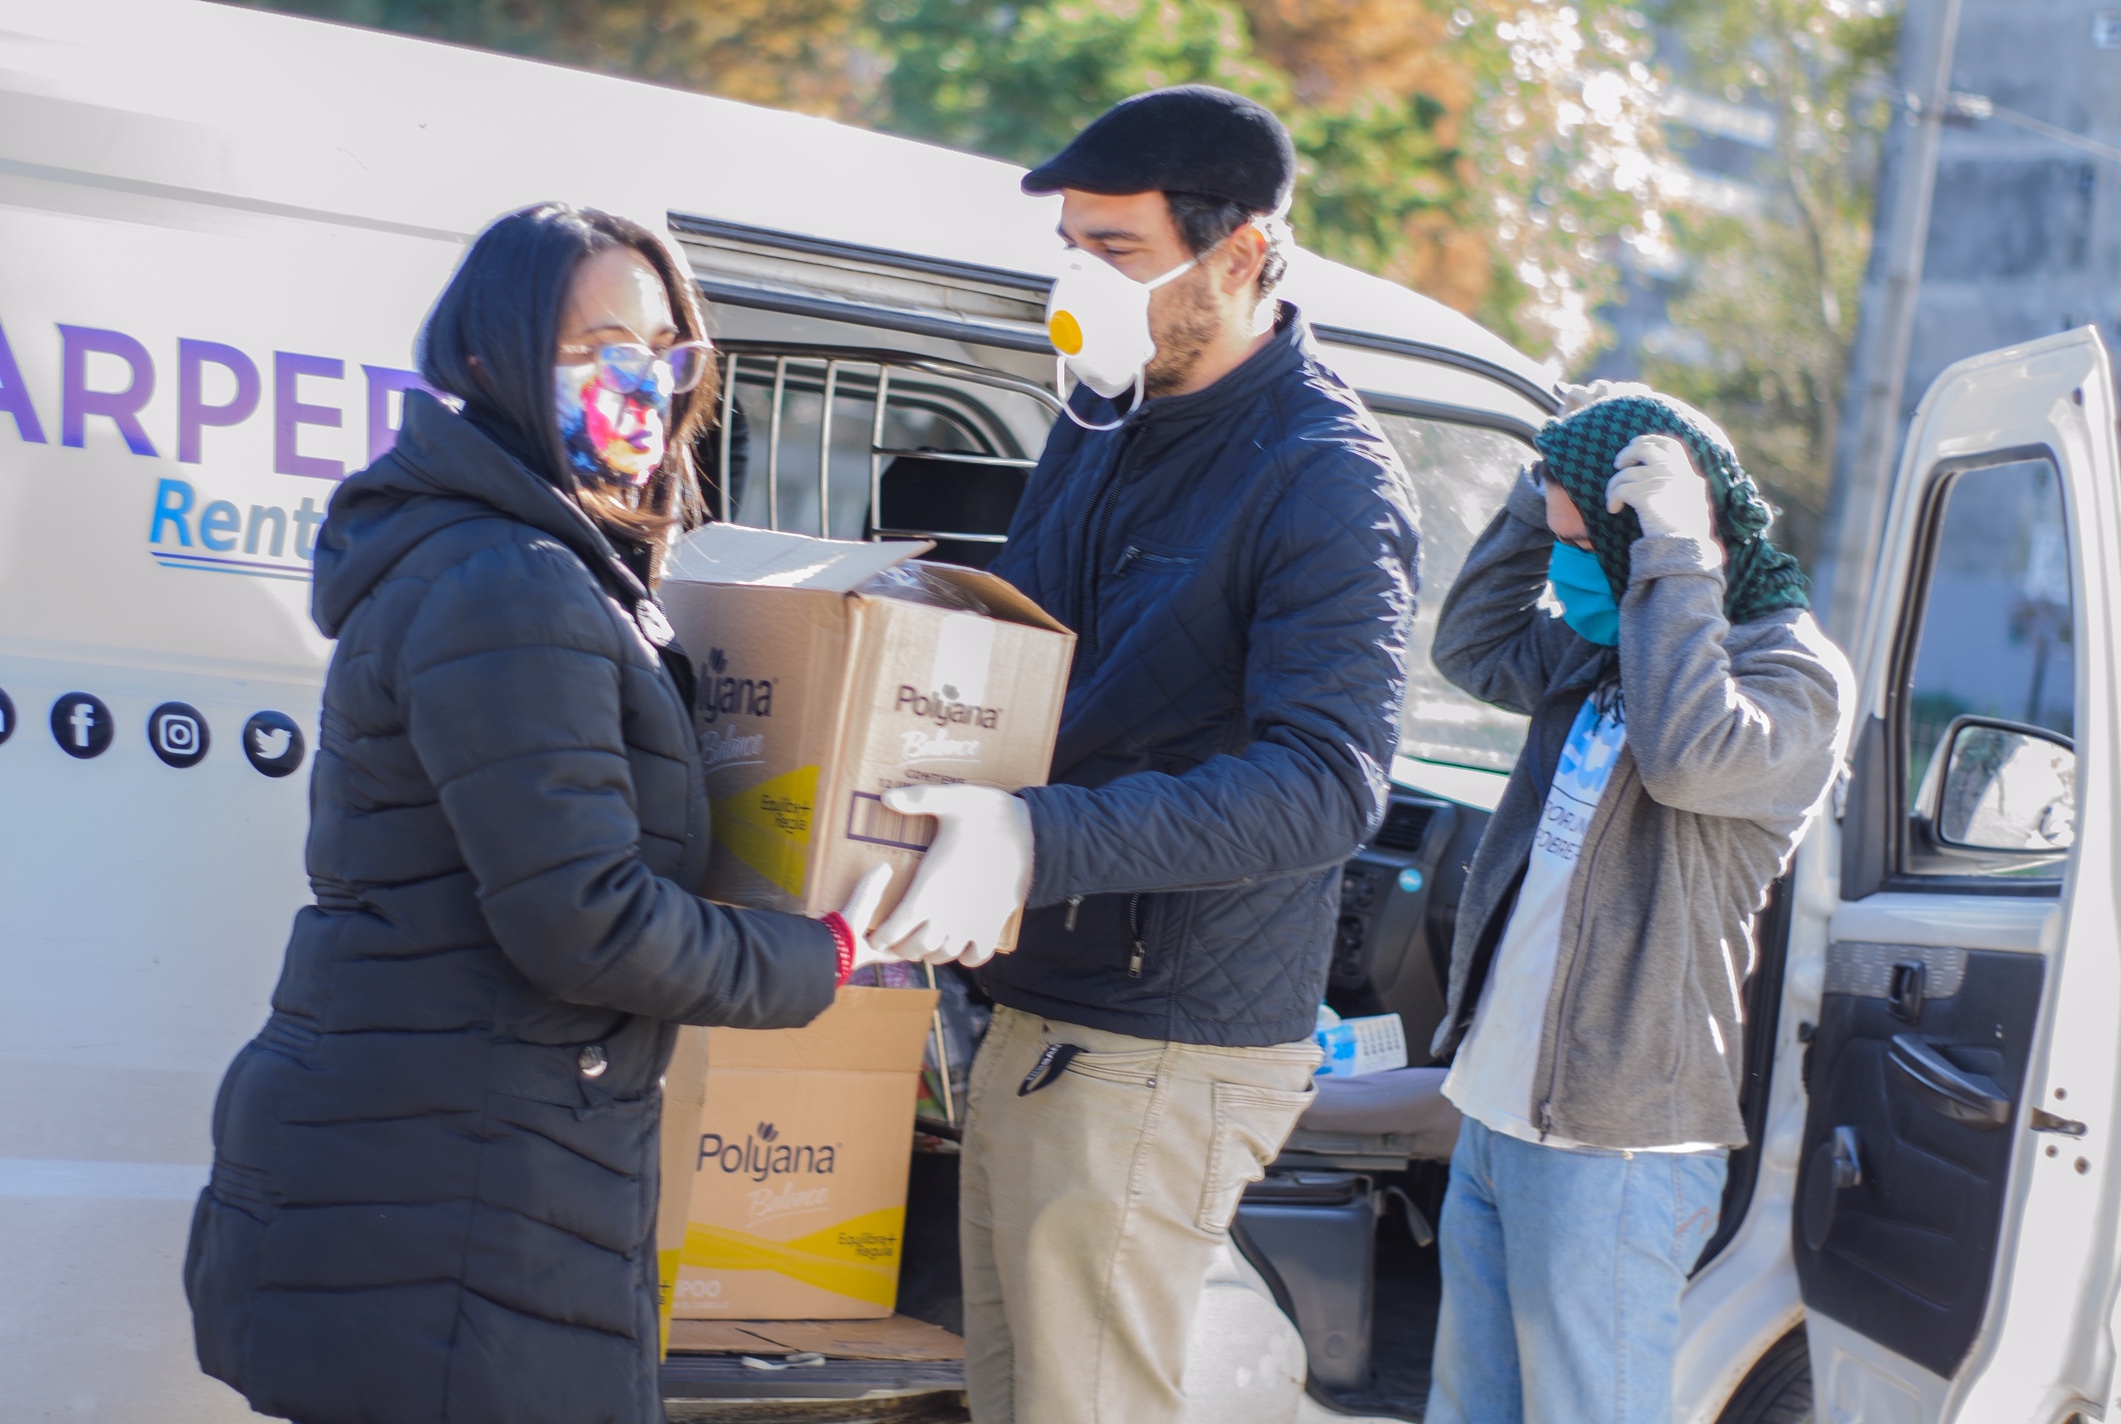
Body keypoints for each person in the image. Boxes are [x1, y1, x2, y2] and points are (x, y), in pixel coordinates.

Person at [184, 204, 899, 1424]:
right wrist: (826, 950)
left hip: (450, 1158)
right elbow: (587, 919)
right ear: (488, 363)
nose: (644, 376)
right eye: (597, 344)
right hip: (448, 1175)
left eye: (665, 344)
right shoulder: (508, 580)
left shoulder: (528, 561)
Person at [864, 86, 1422, 1423]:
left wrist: (1034, 836)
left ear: (1238, 256)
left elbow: (1327, 783)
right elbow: (1039, 659)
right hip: (1043, 1007)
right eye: (1070, 243)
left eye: (1111, 250)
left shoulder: (1325, 476)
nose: (1075, 279)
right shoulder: (1104, 417)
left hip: (1162, 1042)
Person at [1422, 386, 1855, 1424]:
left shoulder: (1790, 672)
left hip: (1615, 1147)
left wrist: (1677, 560)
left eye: (1582, 546)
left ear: (1652, 536)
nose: (1566, 571)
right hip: (1498, 1109)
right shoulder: (1613, 640)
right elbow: (1471, 644)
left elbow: (1688, 760)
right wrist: (1542, 493)